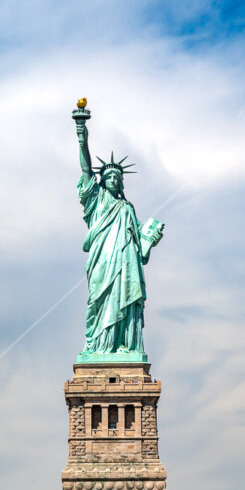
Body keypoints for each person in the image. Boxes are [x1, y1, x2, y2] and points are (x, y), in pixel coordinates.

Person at [75, 117, 164, 355]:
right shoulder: (95, 201)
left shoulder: (127, 208)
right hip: (102, 260)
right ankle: (100, 347)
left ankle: (123, 344)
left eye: (117, 177)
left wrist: (150, 238)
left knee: (123, 297)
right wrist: (82, 136)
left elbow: (139, 244)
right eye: (109, 176)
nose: (113, 179)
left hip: (125, 263)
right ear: (102, 179)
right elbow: (85, 169)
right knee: (100, 300)